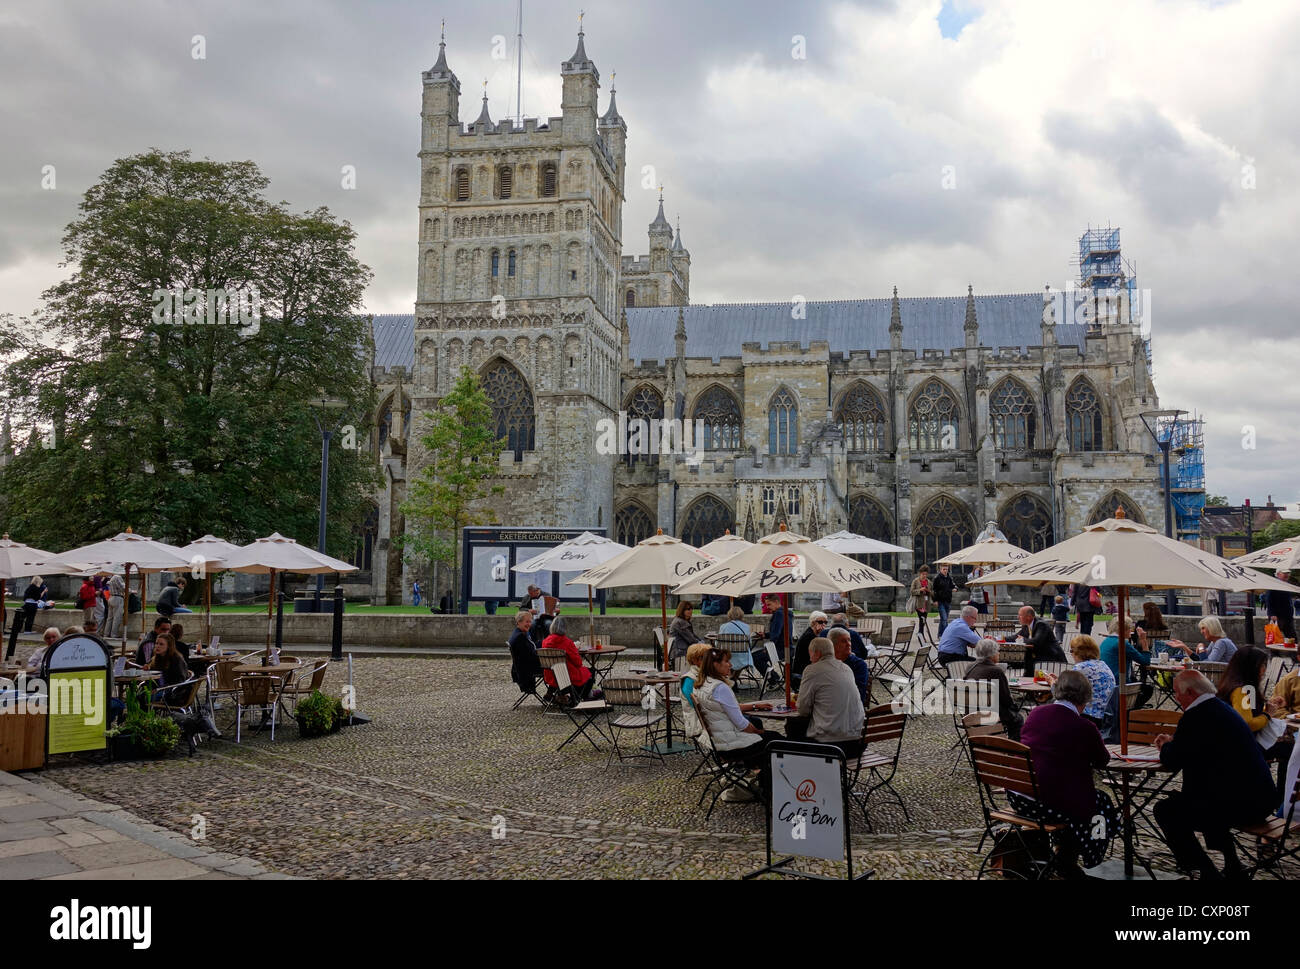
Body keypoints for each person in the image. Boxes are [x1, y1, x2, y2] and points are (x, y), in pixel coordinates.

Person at [1153, 670, 1278, 880]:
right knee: (1201, 799)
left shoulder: (1196, 716)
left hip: (1239, 805)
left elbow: (1173, 760)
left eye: (1176, 693)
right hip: (1261, 799)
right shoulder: (1224, 709)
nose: (1175, 698)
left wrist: (1165, 746)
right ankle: (1232, 865)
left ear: (1190, 692)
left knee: (1166, 810)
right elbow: (1197, 750)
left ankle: (1206, 870)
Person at [1012, 669, 1121, 875]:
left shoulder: (1035, 714)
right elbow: (1102, 760)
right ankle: (1074, 859)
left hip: (1019, 796)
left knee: (1079, 799)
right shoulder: (1084, 727)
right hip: (1046, 804)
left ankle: (1060, 855)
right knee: (1101, 805)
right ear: (1085, 698)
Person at [692, 648, 781, 798]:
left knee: (769, 737)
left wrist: (754, 706)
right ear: (715, 664)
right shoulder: (720, 688)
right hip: (732, 745)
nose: (730, 665)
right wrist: (759, 733)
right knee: (776, 741)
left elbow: (726, 708)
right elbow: (742, 724)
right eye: (726, 661)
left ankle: (763, 784)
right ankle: (769, 789)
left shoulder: (702, 685)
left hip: (720, 743)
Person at [789, 636, 865, 758]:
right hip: (857, 742)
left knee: (793, 727)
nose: (810, 658)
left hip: (831, 745)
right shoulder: (846, 668)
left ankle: (801, 770)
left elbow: (803, 710)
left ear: (817, 653)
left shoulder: (812, 670)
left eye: (810, 654)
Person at [964, 637, 1022, 740]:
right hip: (990, 714)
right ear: (992, 654)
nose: (999, 654)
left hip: (970, 712)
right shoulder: (996, 671)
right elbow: (1006, 698)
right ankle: (1013, 748)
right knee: (1018, 719)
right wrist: (1015, 708)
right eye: (998, 651)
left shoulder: (970, 667)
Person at [539, 616, 594, 703]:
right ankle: (578, 697)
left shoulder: (545, 641)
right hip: (566, 676)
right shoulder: (567, 642)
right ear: (564, 628)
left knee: (583, 672)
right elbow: (578, 663)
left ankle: (559, 695)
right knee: (591, 672)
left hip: (551, 675)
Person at [1099, 622, 1154, 710]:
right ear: (1124, 630)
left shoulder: (1106, 641)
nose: (1131, 631)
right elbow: (1145, 661)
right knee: (1148, 689)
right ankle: (1130, 711)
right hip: (1120, 683)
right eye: (1129, 629)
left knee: (1138, 682)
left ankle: (1129, 709)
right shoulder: (1122, 643)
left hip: (1106, 682)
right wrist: (1143, 640)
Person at [1065, 634, 1115, 729]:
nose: (1071, 654)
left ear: (1078, 652)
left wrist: (1052, 683)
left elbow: (1061, 693)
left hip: (1085, 716)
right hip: (1103, 716)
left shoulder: (1080, 668)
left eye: (1072, 651)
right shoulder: (1102, 665)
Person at [827, 627, 871, 708]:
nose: (849, 644)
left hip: (851, 709)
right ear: (833, 645)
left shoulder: (859, 665)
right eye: (844, 641)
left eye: (849, 640)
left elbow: (858, 694)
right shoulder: (826, 663)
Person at [1017, 605, 1065, 677]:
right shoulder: (1026, 625)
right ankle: (1027, 677)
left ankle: (1029, 677)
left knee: (1029, 656)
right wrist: (1001, 639)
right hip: (1039, 656)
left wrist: (1022, 639)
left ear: (1029, 617)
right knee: (1028, 656)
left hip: (1051, 658)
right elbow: (1016, 636)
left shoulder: (1041, 624)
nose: (1018, 617)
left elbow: (1036, 641)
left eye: (1020, 615)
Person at [1167, 616, 1237, 665]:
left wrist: (1201, 648)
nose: (1201, 632)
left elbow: (1207, 665)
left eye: (1203, 628)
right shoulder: (1215, 642)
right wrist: (1184, 647)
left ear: (1211, 628)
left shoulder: (1221, 642)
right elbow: (1201, 660)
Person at [680, 642, 713, 742]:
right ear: (694, 660)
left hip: (710, 718)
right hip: (700, 722)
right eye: (704, 658)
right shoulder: (690, 679)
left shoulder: (706, 674)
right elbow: (696, 705)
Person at [507, 610, 544, 697]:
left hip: (523, 667)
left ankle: (552, 694)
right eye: (527, 621)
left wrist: (545, 643)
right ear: (519, 622)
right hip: (525, 671)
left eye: (530, 621)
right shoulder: (520, 637)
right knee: (556, 668)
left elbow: (532, 647)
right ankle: (556, 695)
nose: (529, 624)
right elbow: (529, 657)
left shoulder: (521, 633)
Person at [147, 633, 192, 703]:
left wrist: (161, 689)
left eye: (161, 644)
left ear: (169, 646)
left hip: (174, 691)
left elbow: (179, 680)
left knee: (147, 698)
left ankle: (148, 713)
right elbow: (154, 676)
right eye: (156, 643)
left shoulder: (176, 659)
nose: (157, 646)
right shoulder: (156, 658)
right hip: (159, 688)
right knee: (139, 696)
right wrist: (147, 669)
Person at [790, 610, 830, 682]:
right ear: (813, 623)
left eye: (825, 622)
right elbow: (817, 656)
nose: (824, 624)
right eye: (820, 622)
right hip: (803, 671)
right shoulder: (809, 636)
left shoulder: (813, 633)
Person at [718, 605, 759, 675]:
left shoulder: (723, 626)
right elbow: (749, 644)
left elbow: (718, 643)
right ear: (741, 615)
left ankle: (731, 678)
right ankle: (734, 678)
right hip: (742, 657)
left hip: (727, 657)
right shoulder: (747, 627)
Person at [1265, 569, 1297, 642]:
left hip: (1287, 617)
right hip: (1277, 617)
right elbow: (1269, 600)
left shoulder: (1286, 584)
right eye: (1284, 573)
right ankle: (1274, 654)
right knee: (1274, 638)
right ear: (1278, 574)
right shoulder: (1273, 585)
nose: (1287, 575)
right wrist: (1272, 614)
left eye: (1288, 573)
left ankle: (1293, 653)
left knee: (1292, 638)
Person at [668, 601, 700, 666]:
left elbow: (693, 635)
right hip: (680, 653)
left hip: (683, 649)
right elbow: (691, 639)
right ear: (682, 610)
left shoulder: (684, 621)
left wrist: (701, 641)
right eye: (688, 609)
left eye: (691, 608)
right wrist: (702, 644)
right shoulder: (680, 622)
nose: (691, 610)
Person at [909, 566, 933, 644]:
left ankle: (920, 634)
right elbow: (912, 591)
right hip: (918, 603)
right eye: (923, 574)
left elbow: (932, 592)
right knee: (921, 619)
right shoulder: (915, 581)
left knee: (924, 620)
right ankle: (921, 635)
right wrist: (920, 590)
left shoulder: (929, 582)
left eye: (926, 574)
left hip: (926, 603)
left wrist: (928, 591)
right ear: (920, 574)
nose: (924, 576)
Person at [933, 564, 958, 635]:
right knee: (944, 618)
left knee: (944, 619)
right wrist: (935, 600)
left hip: (948, 600)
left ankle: (940, 634)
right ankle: (946, 635)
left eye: (946, 569)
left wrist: (956, 588)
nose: (945, 571)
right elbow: (934, 590)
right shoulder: (937, 578)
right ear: (940, 570)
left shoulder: (949, 577)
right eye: (944, 569)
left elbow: (953, 585)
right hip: (940, 601)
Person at [763, 593, 789, 660]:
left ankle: (771, 670)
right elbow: (779, 631)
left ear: (776, 602)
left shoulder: (778, 613)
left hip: (780, 650)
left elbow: (775, 634)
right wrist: (765, 635)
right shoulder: (785, 612)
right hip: (786, 649)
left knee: (755, 657)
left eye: (769, 604)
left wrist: (768, 649)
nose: (767, 607)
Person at [105, 574, 126, 640]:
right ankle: (114, 634)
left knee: (110, 618)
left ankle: (106, 633)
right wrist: (131, 591)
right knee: (117, 617)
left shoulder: (111, 577)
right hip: (117, 598)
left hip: (111, 597)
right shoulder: (117, 577)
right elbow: (123, 587)